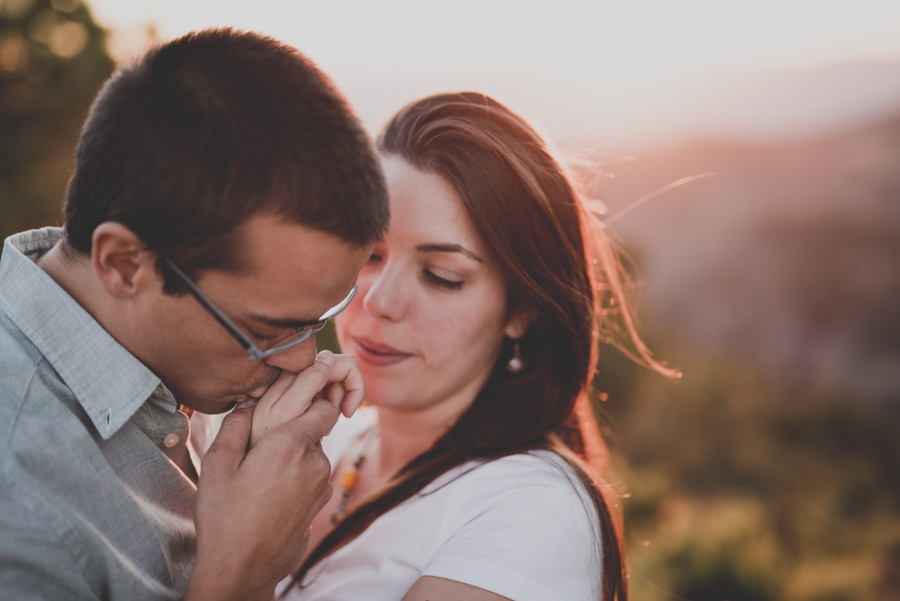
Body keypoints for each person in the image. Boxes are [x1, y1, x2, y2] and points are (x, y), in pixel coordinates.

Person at [0, 28, 388, 600]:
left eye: (321, 317)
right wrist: (239, 574)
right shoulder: (22, 504)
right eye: (264, 330)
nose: (304, 357)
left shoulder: (173, 368)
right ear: (125, 264)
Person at [264, 92, 678, 601]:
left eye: (442, 277)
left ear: (521, 309)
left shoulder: (531, 506)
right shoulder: (325, 444)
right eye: (370, 253)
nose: (380, 301)